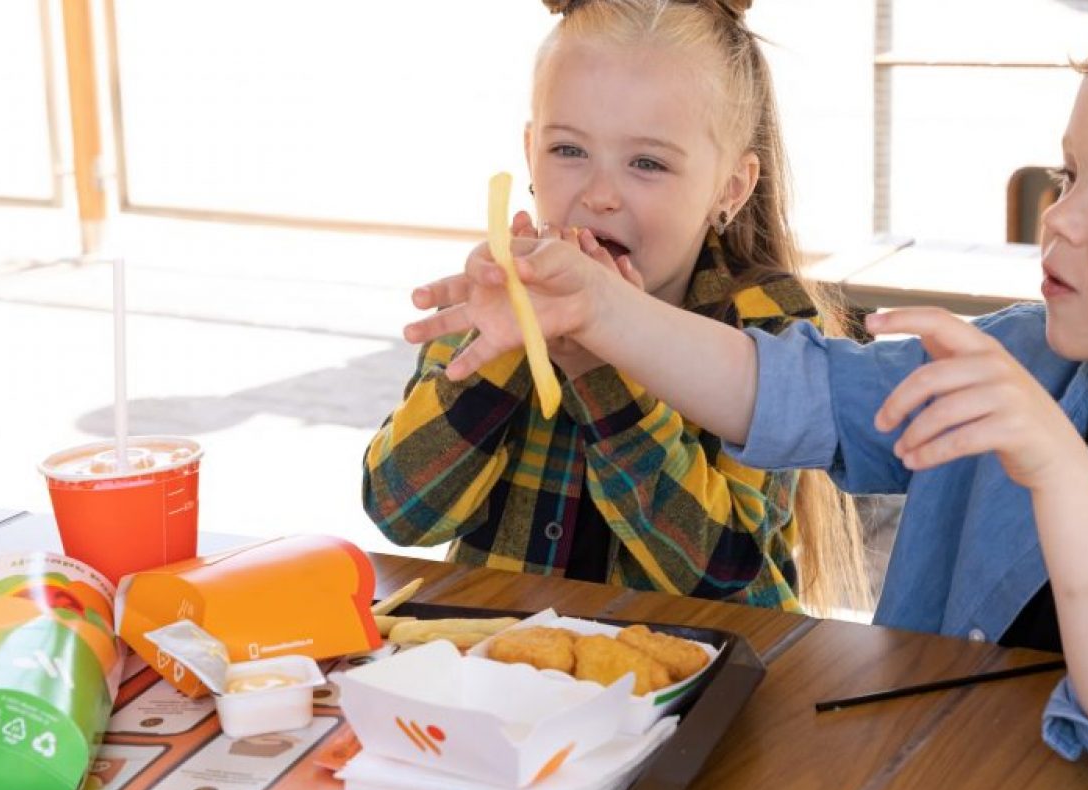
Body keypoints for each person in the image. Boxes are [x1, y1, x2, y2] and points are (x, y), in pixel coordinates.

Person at [418, 0, 1088, 785]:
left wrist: (1055, 467)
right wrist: (591, 309)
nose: (1062, 218)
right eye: (1070, 174)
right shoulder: (1024, 351)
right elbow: (791, 392)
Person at [364, 0, 868, 613]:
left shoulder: (765, 318)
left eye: (647, 163)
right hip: (506, 679)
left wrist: (598, 371)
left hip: (698, 685)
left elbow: (728, 576)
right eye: (569, 151)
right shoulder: (502, 289)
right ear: (530, 152)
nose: (599, 195)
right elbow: (401, 515)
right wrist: (493, 356)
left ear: (729, 190)